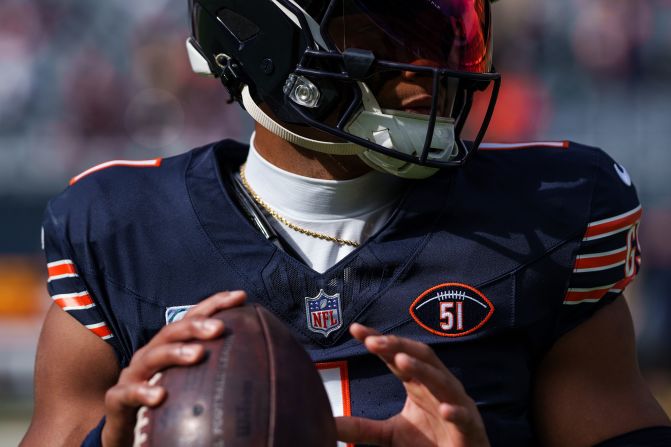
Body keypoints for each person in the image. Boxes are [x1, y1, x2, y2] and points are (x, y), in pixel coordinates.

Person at [21, 0, 671, 446]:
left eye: (452, 34)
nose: (430, 76)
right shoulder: (119, 231)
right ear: (265, 41)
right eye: (387, 39)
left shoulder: (540, 217)